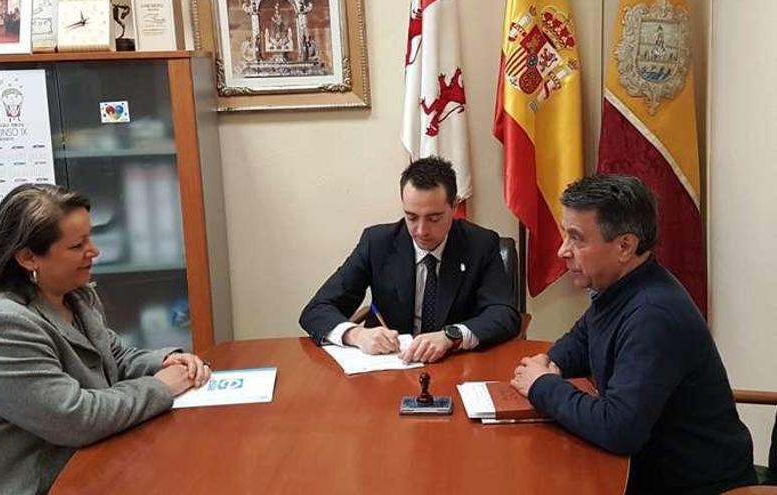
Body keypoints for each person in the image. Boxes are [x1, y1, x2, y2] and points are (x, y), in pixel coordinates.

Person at [0, 184, 211, 495]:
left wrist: (166, 361)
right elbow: (77, 418)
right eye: (77, 246)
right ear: (29, 257)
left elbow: (113, 357)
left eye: (90, 238)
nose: (94, 251)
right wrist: (162, 386)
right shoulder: (1, 326)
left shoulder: (74, 297)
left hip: (66, 470)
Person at [510, 175, 755, 494]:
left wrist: (542, 385)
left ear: (625, 246)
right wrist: (548, 363)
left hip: (693, 485)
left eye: (576, 238)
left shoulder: (653, 314)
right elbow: (580, 340)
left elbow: (619, 429)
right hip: (644, 467)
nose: (562, 251)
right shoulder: (620, 286)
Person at [299, 156, 520, 363]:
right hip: (390, 369)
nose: (421, 230)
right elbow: (317, 309)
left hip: (454, 365)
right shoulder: (377, 243)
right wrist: (356, 335)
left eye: (434, 218)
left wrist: (451, 336)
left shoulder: (480, 244)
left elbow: (504, 314)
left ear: (454, 207)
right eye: (411, 217)